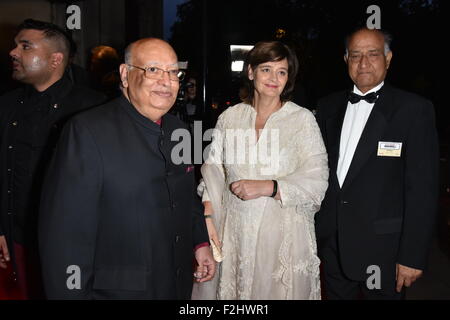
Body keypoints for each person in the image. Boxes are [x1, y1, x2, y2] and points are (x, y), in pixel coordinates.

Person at [38, 38, 216, 299]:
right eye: (153, 70)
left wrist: (200, 243)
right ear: (125, 74)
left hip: (175, 283)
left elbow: (185, 198)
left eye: (173, 72)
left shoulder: (178, 130)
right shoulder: (87, 131)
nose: (166, 81)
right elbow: (65, 236)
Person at [192, 41, 329, 300]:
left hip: (283, 237)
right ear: (251, 72)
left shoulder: (302, 120)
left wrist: (271, 186)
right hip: (235, 235)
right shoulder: (229, 118)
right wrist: (208, 215)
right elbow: (212, 171)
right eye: (266, 69)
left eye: (282, 71)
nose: (273, 78)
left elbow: (318, 179)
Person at [315, 27, 439, 300]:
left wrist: (412, 255)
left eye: (372, 54)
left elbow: (423, 189)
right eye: (355, 55)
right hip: (333, 246)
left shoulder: (413, 110)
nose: (363, 63)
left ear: (389, 58)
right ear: (346, 59)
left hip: (385, 251)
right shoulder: (327, 107)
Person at [0, 19, 104, 299]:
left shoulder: (94, 107)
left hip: (74, 246)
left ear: (55, 59)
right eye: (15, 45)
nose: (13, 52)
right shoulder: (6, 106)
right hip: (18, 239)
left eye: (25, 46)